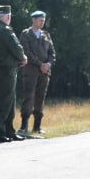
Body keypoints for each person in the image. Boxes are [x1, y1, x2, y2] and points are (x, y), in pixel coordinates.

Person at [0, 5, 27, 142]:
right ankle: (0, 132)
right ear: (8, 16)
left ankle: (9, 130)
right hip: (6, 69)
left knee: (9, 100)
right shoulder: (4, 30)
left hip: (0, 68)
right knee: (5, 101)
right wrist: (23, 58)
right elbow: (16, 48)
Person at [19, 9, 56, 137]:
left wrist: (48, 64)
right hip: (31, 71)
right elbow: (26, 52)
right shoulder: (26, 34)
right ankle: (24, 126)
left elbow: (52, 53)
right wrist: (41, 64)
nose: (42, 23)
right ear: (33, 20)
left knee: (40, 98)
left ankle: (37, 126)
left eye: (43, 21)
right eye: (40, 20)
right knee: (28, 97)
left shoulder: (46, 35)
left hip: (45, 73)